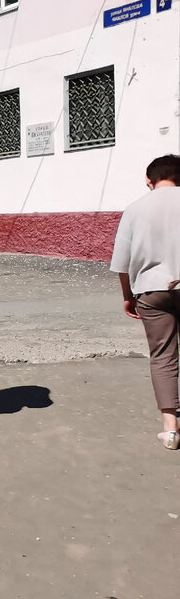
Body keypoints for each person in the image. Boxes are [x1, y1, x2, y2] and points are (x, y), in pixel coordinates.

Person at [109, 154, 180, 450]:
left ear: (149, 181)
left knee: (163, 355)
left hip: (151, 291)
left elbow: (122, 263)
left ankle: (171, 429)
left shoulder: (135, 209)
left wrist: (128, 297)